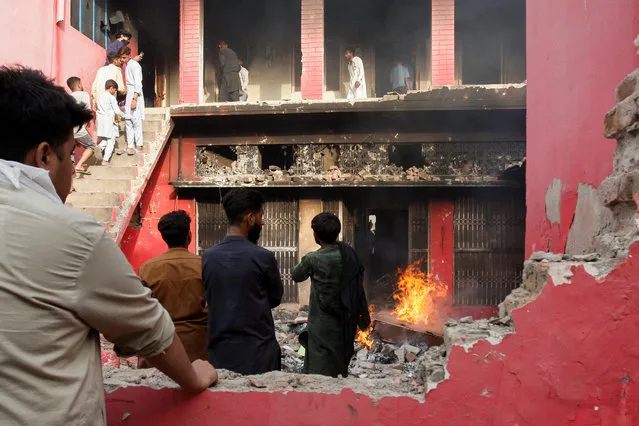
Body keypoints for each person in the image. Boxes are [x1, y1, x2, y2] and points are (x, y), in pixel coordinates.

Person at [0, 66, 217, 426]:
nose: (73, 172)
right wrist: (194, 378)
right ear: (43, 156)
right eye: (71, 156)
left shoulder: (149, 268)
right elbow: (151, 331)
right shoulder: (74, 236)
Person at [202, 189, 283, 374]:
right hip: (259, 354)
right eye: (261, 216)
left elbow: (208, 297)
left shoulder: (208, 257)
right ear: (250, 218)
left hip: (220, 354)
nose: (262, 222)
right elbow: (275, 299)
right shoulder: (263, 257)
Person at [292, 213, 371, 377]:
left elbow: (296, 275)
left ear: (316, 235)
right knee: (338, 367)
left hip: (321, 325)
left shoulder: (313, 259)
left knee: (319, 371)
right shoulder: (348, 255)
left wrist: (305, 260)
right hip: (344, 322)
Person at [139, 210, 208, 363]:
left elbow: (141, 310)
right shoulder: (203, 265)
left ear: (164, 237)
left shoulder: (147, 268)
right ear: (189, 236)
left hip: (161, 344)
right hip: (199, 345)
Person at [66, 77, 101, 174]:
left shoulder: (68, 97)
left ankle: (72, 169)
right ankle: (79, 165)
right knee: (91, 146)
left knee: (70, 152)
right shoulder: (84, 95)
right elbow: (87, 110)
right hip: (79, 130)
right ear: (79, 85)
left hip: (69, 131)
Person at [118, 46, 144, 155]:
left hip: (135, 94)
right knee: (128, 120)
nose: (122, 60)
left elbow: (138, 83)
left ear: (129, 55)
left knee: (136, 121)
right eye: (121, 58)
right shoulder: (128, 65)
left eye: (124, 57)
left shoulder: (135, 66)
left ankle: (139, 146)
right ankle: (130, 146)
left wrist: (134, 99)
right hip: (129, 93)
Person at [96, 79, 128, 164]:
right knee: (111, 140)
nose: (115, 91)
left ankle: (99, 147)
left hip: (101, 120)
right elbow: (117, 111)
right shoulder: (111, 97)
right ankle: (105, 160)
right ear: (111, 88)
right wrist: (125, 115)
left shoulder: (101, 96)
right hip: (108, 120)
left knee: (106, 138)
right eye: (115, 89)